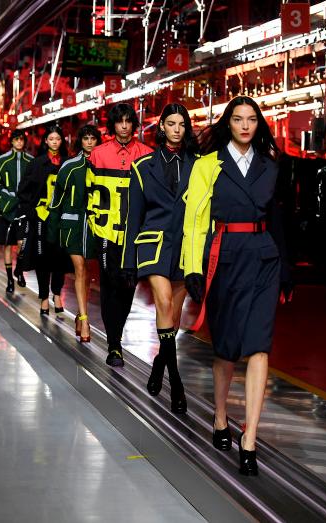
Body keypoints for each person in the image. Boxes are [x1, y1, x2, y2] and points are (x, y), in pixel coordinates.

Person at [182, 96, 293, 476]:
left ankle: (250, 437)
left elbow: (278, 219)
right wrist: (192, 269)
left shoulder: (270, 166)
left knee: (259, 347)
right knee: (226, 348)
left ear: (258, 125)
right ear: (227, 123)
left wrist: (286, 268)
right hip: (224, 257)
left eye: (251, 119)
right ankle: (220, 415)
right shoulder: (207, 165)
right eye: (237, 119)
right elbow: (195, 221)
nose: (245, 126)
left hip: (264, 258)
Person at [121, 103, 198, 414]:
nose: (177, 129)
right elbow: (133, 217)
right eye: (171, 123)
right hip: (153, 245)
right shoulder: (142, 167)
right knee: (164, 304)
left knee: (174, 317)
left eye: (182, 124)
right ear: (161, 127)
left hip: (185, 248)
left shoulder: (198, 165)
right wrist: (128, 261)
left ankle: (158, 364)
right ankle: (176, 383)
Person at [87, 103, 152, 366]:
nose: (124, 126)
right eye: (119, 121)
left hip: (134, 235)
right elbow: (90, 194)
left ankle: (117, 337)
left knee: (128, 287)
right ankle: (114, 344)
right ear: (113, 125)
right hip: (105, 232)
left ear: (134, 124)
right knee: (109, 285)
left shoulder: (147, 155)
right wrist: (94, 225)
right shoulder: (98, 154)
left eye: (128, 121)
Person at [47, 125, 101, 343]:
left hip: (95, 228)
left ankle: (80, 312)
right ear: (80, 141)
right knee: (80, 269)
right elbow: (56, 200)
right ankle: (85, 320)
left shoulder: (102, 165)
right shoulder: (69, 166)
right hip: (72, 227)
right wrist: (52, 232)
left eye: (93, 138)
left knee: (87, 271)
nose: (89, 142)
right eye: (86, 138)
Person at [16, 124, 70, 315]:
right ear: (46, 141)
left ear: (62, 141)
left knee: (60, 258)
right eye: (51, 139)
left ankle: (57, 293)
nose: (55, 142)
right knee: (42, 258)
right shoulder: (36, 163)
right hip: (41, 217)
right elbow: (23, 190)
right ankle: (44, 297)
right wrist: (32, 212)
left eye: (58, 139)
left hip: (62, 218)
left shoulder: (68, 163)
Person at [0, 129, 33, 292]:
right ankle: (10, 279)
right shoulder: (1, 161)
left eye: (21, 139)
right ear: (12, 141)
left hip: (23, 208)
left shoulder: (31, 161)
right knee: (7, 245)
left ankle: (19, 270)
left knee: (23, 244)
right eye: (16, 139)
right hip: (6, 209)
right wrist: (4, 203)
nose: (19, 142)